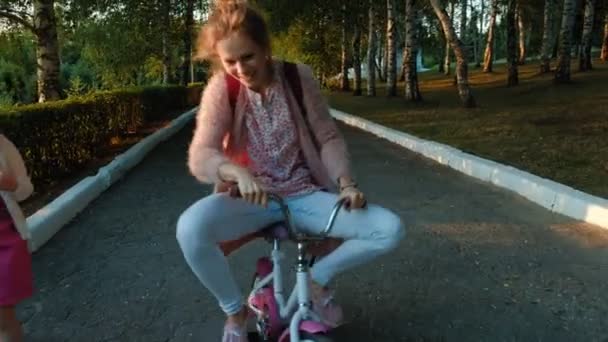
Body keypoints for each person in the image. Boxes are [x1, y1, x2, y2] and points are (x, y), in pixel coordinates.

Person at [176, 1, 405, 340]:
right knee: (190, 229)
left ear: (265, 48)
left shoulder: (298, 78)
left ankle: (317, 279)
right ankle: (235, 312)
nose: (240, 68)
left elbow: (327, 136)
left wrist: (345, 184)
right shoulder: (222, 88)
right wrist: (234, 172)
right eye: (230, 61)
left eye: (248, 56)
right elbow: (201, 154)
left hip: (304, 195)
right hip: (253, 199)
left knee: (390, 229)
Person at [0, 133, 34, 342]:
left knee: (3, 320)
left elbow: (25, 189)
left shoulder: (3, 145)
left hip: (5, 239)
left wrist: (11, 185)